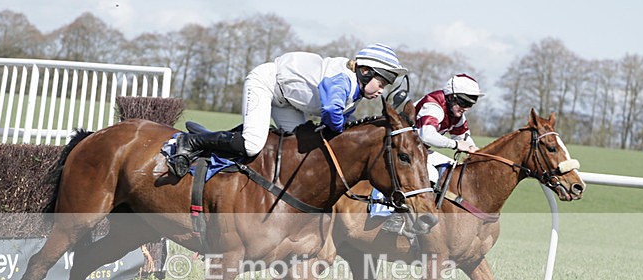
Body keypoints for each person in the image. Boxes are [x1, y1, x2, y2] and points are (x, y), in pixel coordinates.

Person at [161, 43, 408, 178]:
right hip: (267, 82)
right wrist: (339, 129)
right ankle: (191, 141)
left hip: (288, 102)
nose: (380, 91)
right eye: (382, 83)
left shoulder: (355, 93)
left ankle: (215, 138)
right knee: (252, 145)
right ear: (365, 72)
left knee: (296, 149)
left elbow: (341, 119)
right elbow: (332, 112)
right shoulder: (342, 80)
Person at [382, 73, 484, 233]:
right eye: (463, 101)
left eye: (471, 104)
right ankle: (397, 216)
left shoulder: (457, 114)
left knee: (453, 168)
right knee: (431, 174)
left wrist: (477, 152)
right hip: (400, 150)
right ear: (451, 97)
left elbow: (464, 138)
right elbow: (426, 135)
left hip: (419, 151)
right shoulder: (434, 105)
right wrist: (456, 144)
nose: (465, 107)